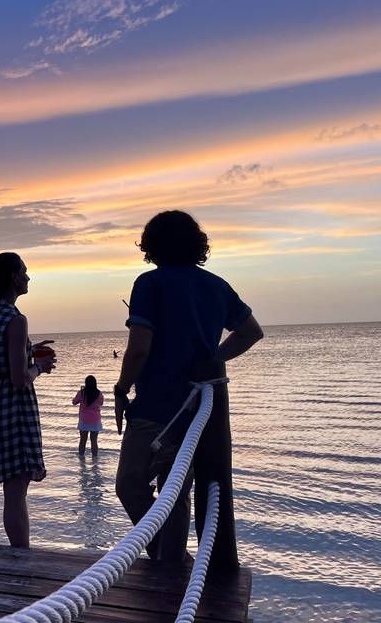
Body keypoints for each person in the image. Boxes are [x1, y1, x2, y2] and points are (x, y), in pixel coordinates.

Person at [113, 210, 263, 563]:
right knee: (175, 492)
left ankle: (167, 557)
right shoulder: (216, 286)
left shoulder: (149, 284)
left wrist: (121, 388)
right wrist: (212, 360)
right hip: (198, 413)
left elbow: (138, 348)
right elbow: (251, 332)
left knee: (130, 486)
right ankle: (172, 564)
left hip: (154, 408)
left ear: (151, 246)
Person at [0, 252, 56, 548]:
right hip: (14, 411)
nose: (28, 277)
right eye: (25, 272)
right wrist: (39, 366)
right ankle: (21, 559)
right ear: (15, 277)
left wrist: (28, 350)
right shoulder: (16, 320)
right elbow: (19, 379)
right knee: (16, 492)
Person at [72, 375, 103, 457]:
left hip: (84, 419)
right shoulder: (99, 393)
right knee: (94, 441)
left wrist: (80, 392)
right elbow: (101, 403)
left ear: (86, 383)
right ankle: (95, 459)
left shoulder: (81, 393)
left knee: (83, 440)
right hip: (95, 420)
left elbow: (74, 402)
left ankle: (81, 458)